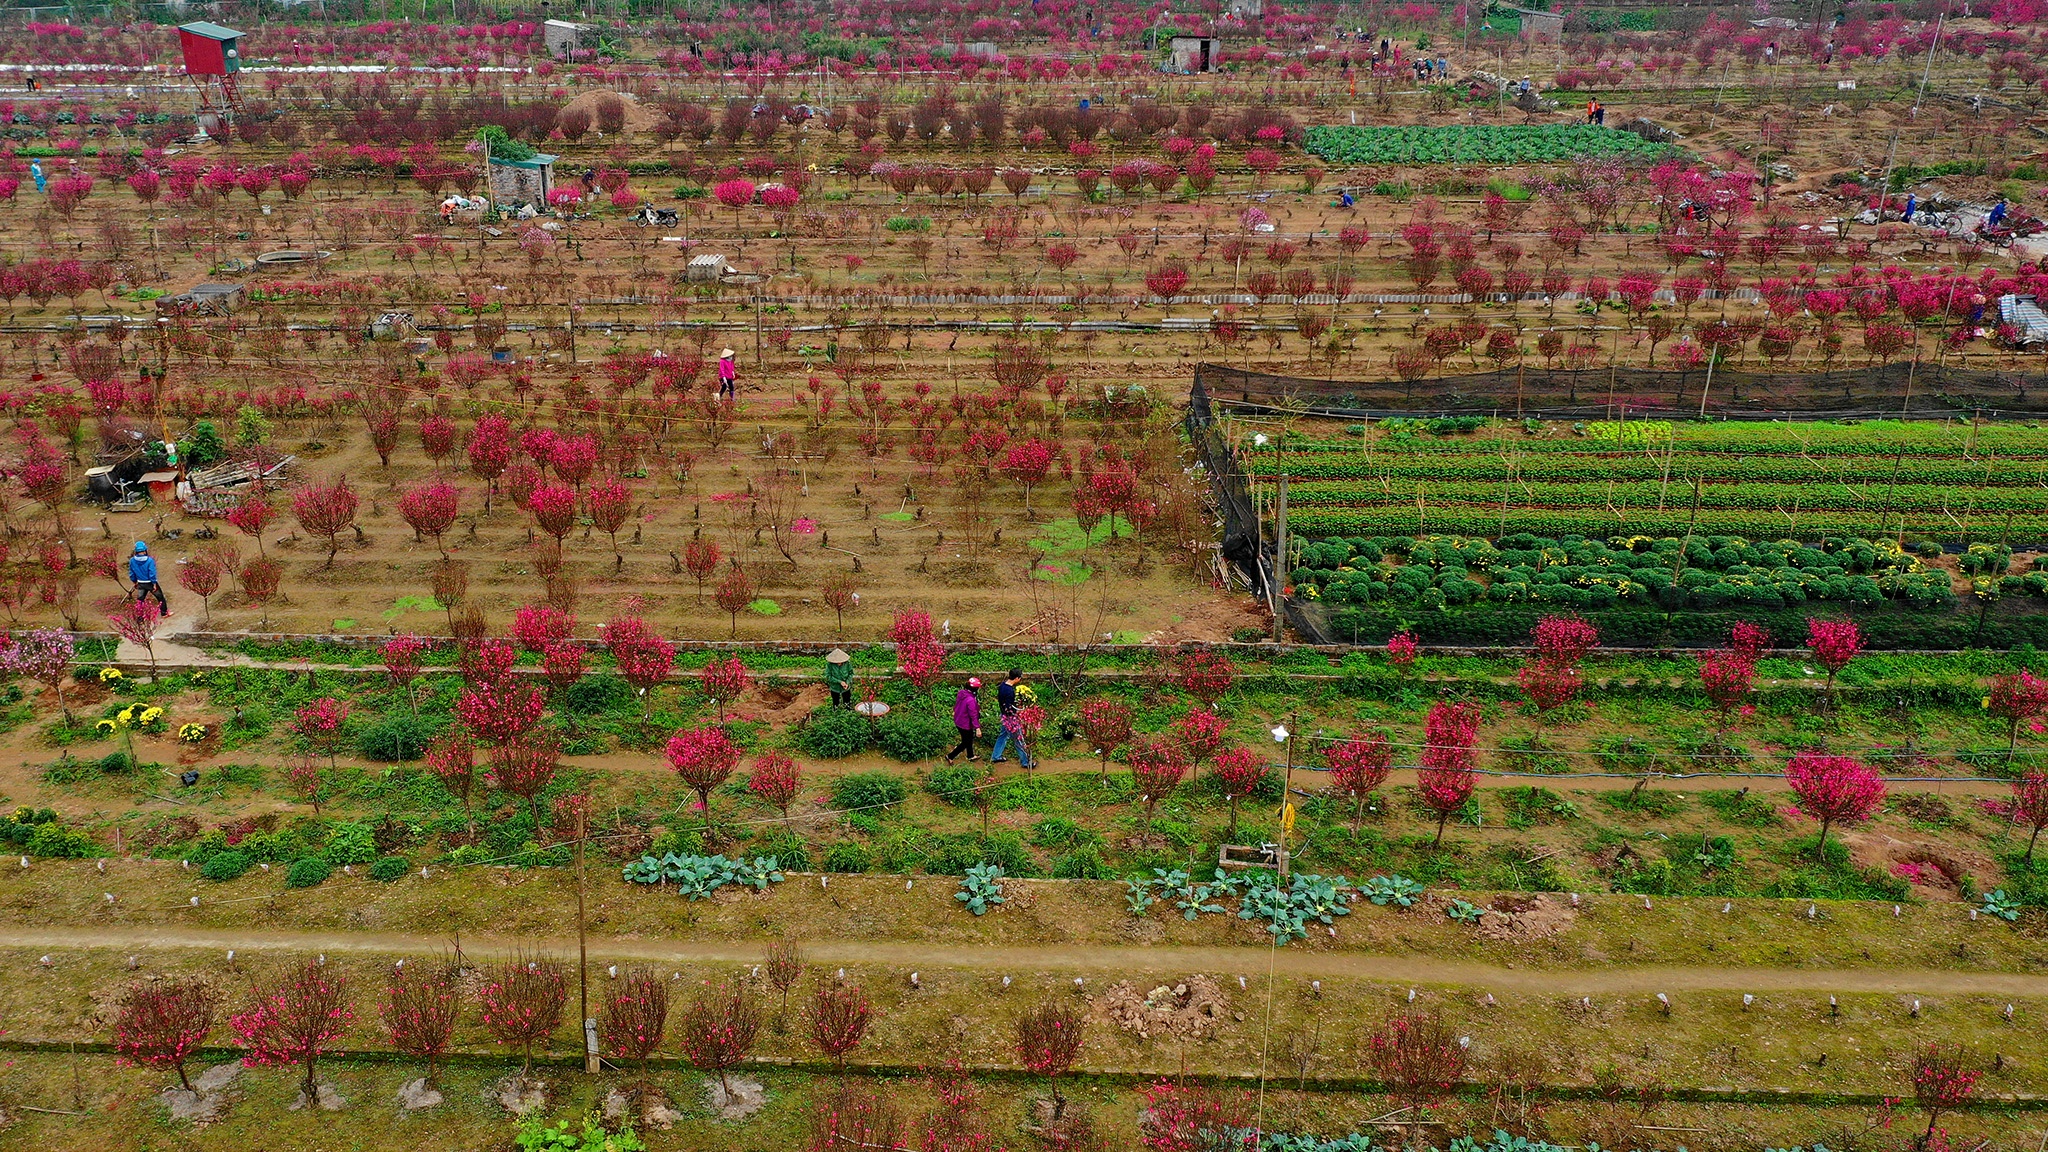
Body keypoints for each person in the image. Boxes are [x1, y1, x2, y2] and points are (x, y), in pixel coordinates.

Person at [988, 668, 1032, 768]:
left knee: (1003, 735)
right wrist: (1019, 710)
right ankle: (1026, 762)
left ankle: (996, 756)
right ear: (1016, 678)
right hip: (1010, 719)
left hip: (1003, 716)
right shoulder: (1010, 691)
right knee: (1019, 739)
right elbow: (1009, 708)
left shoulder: (1002, 686)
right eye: (1020, 677)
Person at [946, 677, 982, 763]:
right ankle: (950, 756)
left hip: (958, 720)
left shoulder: (961, 693)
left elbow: (957, 703)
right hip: (965, 724)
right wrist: (977, 728)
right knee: (966, 742)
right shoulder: (971, 700)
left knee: (968, 739)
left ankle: (970, 755)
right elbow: (973, 715)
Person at [128, 542, 168, 615]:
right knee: (160, 598)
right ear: (145, 550)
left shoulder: (132, 560)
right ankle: (164, 613)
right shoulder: (149, 560)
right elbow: (152, 573)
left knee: (140, 600)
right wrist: (154, 583)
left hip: (140, 583)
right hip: (150, 583)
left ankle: (140, 617)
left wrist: (134, 582)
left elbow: (131, 573)